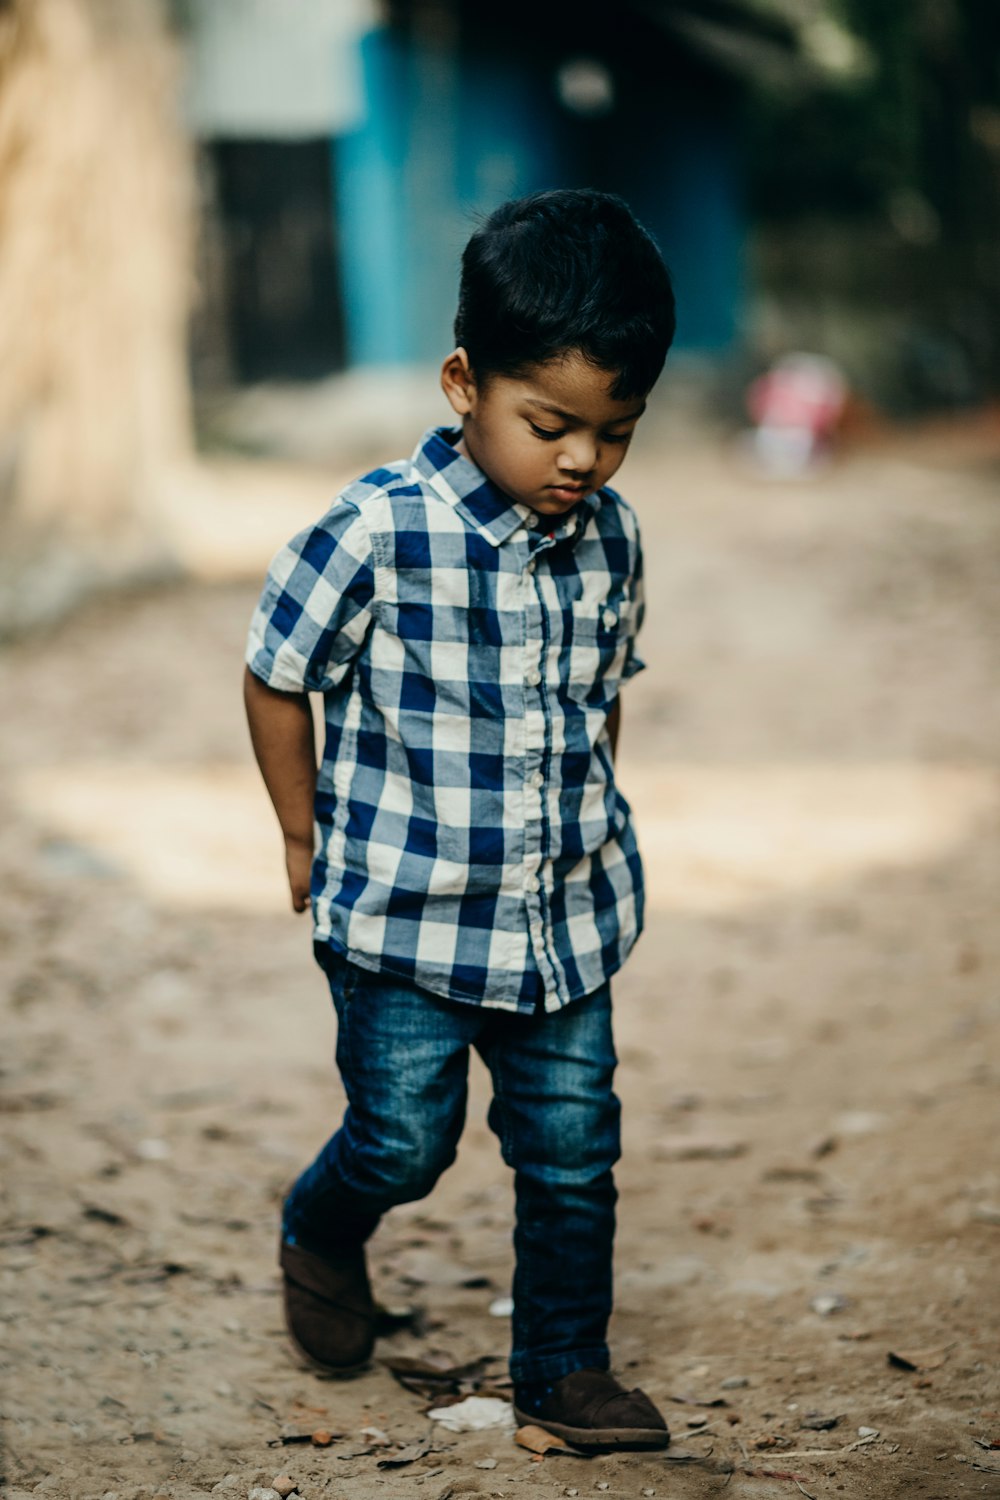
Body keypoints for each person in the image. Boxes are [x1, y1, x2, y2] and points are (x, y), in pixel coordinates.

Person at [243, 188, 676, 1451]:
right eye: (550, 425)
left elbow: (600, 698)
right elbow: (278, 669)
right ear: (462, 384)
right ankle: (322, 1228)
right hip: (403, 927)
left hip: (563, 923)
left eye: (615, 432)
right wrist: (297, 829)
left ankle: (560, 1366)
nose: (582, 461)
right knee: (402, 1142)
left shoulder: (614, 539)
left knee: (570, 1148)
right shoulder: (378, 530)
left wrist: (593, 812)